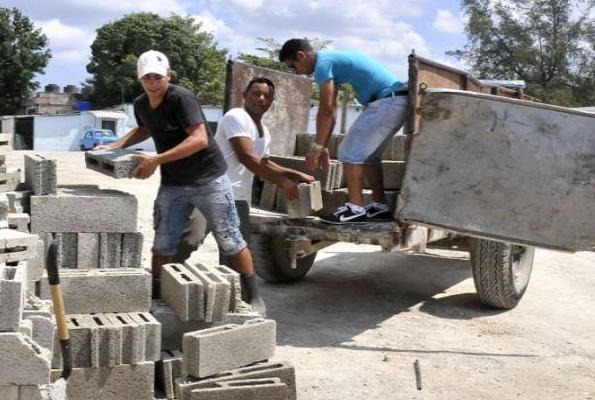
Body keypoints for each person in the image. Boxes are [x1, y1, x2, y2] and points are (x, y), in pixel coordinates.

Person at [94, 50, 266, 315]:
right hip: (174, 183)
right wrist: (114, 145)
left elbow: (199, 139)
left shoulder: (181, 99)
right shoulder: (141, 104)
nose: (153, 83)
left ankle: (255, 296)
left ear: (168, 76)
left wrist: (157, 159)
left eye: (157, 77)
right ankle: (157, 293)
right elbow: (143, 128)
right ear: (140, 79)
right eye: (147, 78)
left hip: (209, 179)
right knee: (162, 242)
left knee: (230, 239)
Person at [174, 77, 315, 267]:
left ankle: (233, 294)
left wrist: (294, 174)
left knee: (236, 254)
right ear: (244, 95)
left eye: (267, 96)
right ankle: (157, 281)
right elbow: (247, 157)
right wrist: (283, 183)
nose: (261, 99)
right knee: (189, 240)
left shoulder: (264, 130)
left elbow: (263, 161)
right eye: (256, 94)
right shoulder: (236, 117)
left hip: (238, 198)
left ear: (271, 102)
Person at [279, 38, 409, 224]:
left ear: (301, 55)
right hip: (395, 100)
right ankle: (380, 206)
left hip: (387, 101)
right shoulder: (331, 61)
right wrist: (322, 145)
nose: (297, 72)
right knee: (368, 157)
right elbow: (331, 110)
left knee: (349, 151)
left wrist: (316, 146)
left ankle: (355, 208)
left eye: (293, 66)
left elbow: (325, 109)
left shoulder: (323, 65)